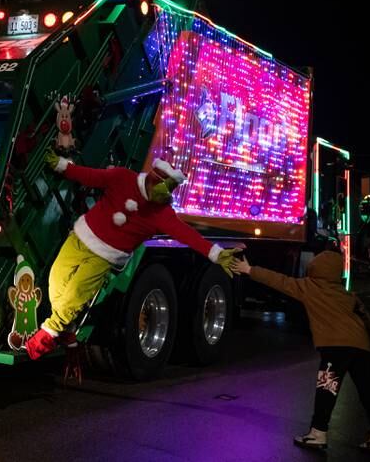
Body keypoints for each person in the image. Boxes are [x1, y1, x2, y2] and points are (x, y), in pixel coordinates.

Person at [24, 150, 238, 359]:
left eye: (171, 188)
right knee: (56, 282)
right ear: (155, 177)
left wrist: (216, 254)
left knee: (75, 292)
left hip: (103, 256)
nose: (167, 193)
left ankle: (49, 334)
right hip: (80, 238)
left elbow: (186, 234)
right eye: (165, 185)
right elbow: (89, 176)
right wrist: (61, 166)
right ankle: (67, 329)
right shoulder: (122, 178)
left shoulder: (161, 213)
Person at [231, 251, 370, 451]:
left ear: (315, 268)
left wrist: (249, 270)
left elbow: (280, 281)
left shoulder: (310, 287)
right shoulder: (347, 294)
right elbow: (366, 321)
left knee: (326, 390)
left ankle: (318, 433)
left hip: (336, 349)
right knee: (368, 391)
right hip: (361, 347)